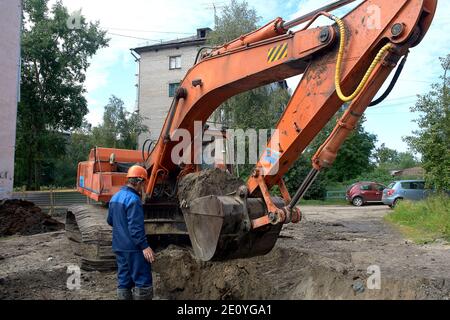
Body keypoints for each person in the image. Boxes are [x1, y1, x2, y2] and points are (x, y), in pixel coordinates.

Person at [107, 165, 155, 300]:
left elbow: (110, 221)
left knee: (124, 281)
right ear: (139, 182)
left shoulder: (115, 197)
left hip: (119, 247)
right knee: (143, 281)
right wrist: (144, 246)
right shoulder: (134, 200)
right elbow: (135, 228)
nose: (143, 187)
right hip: (134, 249)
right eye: (143, 183)